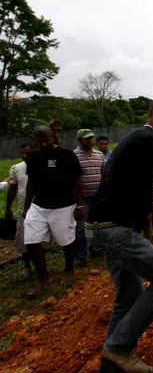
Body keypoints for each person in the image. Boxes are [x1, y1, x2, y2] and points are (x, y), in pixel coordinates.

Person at [86, 94, 153, 372]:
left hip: (99, 227)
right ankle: (119, 348)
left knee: (128, 295)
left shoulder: (135, 139)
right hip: (115, 230)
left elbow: (118, 182)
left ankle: (111, 363)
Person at [23, 126, 84, 296]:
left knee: (66, 239)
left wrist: (80, 205)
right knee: (31, 240)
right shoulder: (34, 156)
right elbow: (31, 182)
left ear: (54, 137)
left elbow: (78, 181)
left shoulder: (66, 155)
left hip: (63, 204)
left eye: (47, 140)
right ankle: (43, 276)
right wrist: (27, 206)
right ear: (35, 140)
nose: (43, 144)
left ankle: (69, 269)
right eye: (40, 141)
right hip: (39, 205)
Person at [6, 143, 51, 279]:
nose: (24, 156)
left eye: (27, 153)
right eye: (22, 153)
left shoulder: (44, 166)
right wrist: (8, 207)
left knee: (42, 240)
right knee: (23, 240)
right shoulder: (17, 169)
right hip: (24, 211)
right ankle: (28, 267)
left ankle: (42, 266)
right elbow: (13, 189)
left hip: (42, 208)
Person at [73, 128, 104, 267]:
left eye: (91, 138)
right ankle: (80, 256)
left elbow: (103, 175)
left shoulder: (99, 155)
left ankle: (95, 250)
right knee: (80, 228)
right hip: (82, 198)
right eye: (87, 138)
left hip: (98, 197)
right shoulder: (73, 156)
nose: (90, 140)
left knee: (96, 226)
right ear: (79, 140)